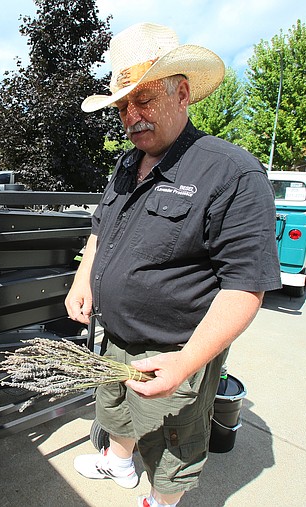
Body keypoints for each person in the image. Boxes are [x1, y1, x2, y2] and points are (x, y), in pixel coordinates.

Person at [65, 23, 281, 507]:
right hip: (117, 337)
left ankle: (161, 502)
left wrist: (186, 362)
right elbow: (102, 227)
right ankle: (117, 463)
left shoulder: (232, 172)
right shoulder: (126, 164)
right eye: (122, 106)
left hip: (173, 350)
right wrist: (85, 277)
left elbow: (245, 287)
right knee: (115, 411)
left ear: (182, 93)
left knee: (173, 444)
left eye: (143, 100)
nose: (131, 116)